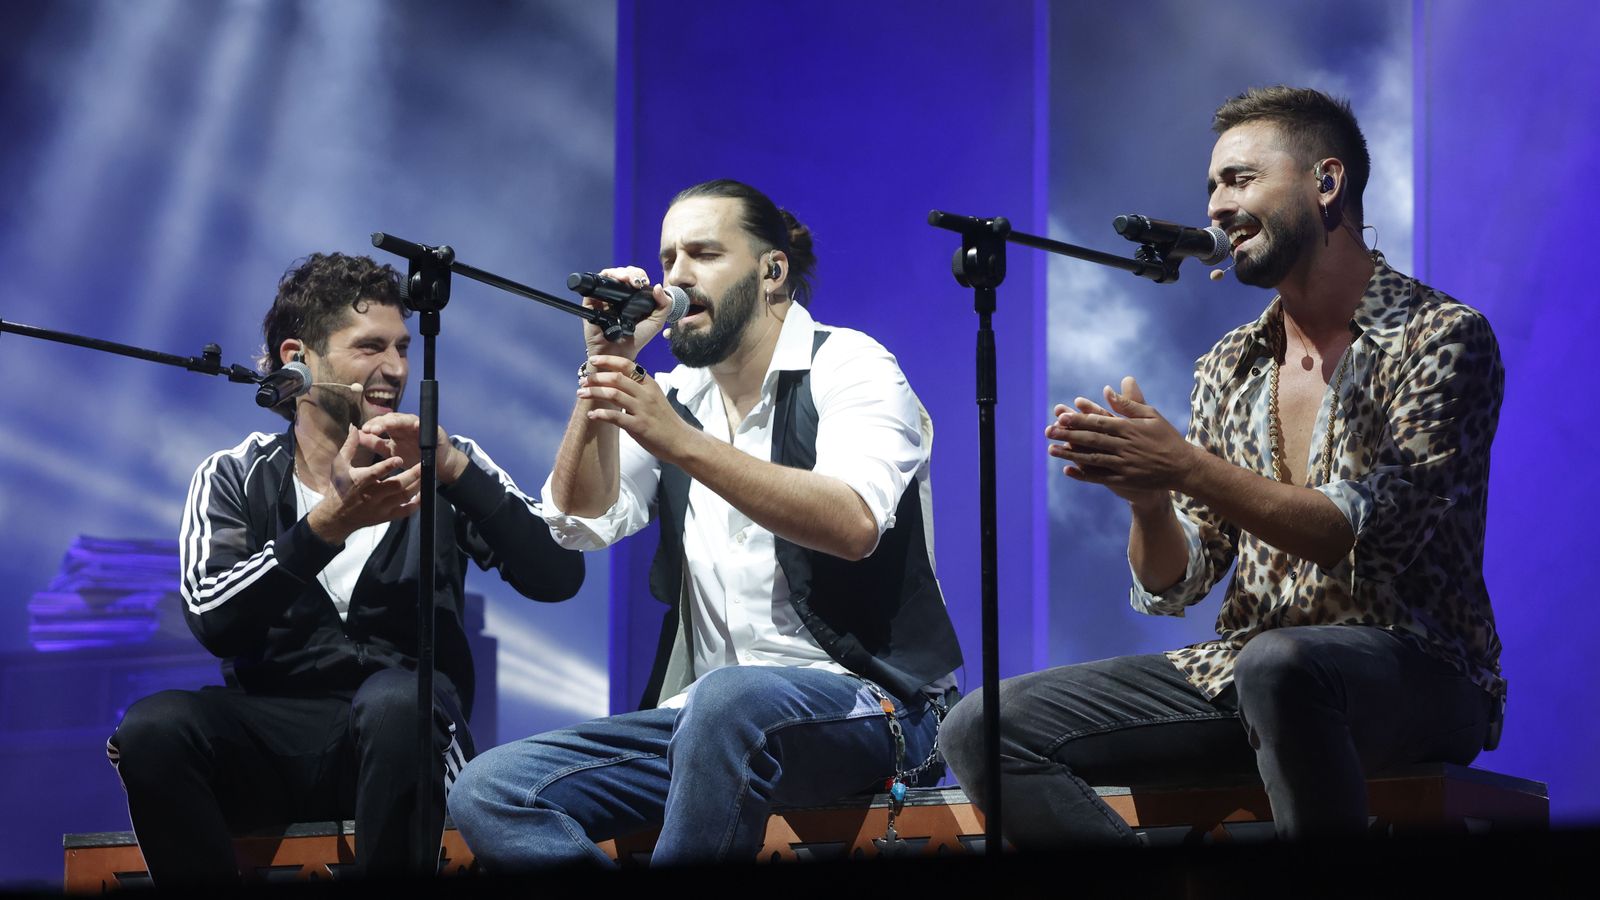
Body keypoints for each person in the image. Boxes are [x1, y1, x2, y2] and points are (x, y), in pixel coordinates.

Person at [943, 86, 1504, 845]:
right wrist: (1149, 501)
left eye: (1238, 179)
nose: (1214, 206)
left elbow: (1369, 538)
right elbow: (1186, 577)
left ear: (1326, 183)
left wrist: (1184, 465)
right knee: (981, 726)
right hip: (1247, 672)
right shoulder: (1228, 366)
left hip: (1419, 668)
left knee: (1282, 667)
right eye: (1211, 185)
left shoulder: (1441, 337)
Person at [447, 179, 963, 868]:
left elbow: (853, 523)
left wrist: (680, 442)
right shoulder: (678, 396)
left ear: (771, 272)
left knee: (728, 702)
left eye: (703, 254)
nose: (677, 279)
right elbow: (576, 519)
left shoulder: (851, 366)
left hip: (877, 712)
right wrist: (607, 366)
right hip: (709, 726)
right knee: (492, 788)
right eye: (667, 261)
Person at [106, 252, 585, 883]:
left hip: (411, 737)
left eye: (403, 348)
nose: (395, 370)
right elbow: (212, 616)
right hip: (276, 741)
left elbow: (557, 576)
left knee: (394, 701)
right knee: (153, 729)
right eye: (370, 348)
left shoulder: (444, 461)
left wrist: (458, 475)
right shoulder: (233, 474)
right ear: (297, 358)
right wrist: (328, 524)